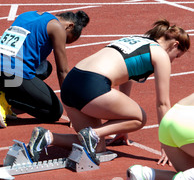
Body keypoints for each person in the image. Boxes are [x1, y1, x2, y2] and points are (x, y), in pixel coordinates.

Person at [27, 19, 190, 164]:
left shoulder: (137, 40)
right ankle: (94, 133)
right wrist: (167, 145)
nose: (173, 60)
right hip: (92, 84)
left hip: (71, 83)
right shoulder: (161, 55)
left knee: (98, 147)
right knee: (140, 118)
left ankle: (47, 137)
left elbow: (127, 78)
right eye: (177, 56)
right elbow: (163, 104)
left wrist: (122, 127)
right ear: (175, 45)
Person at [0, 10, 90, 128]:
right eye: (66, 39)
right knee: (54, 112)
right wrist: (72, 111)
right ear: (69, 26)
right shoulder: (57, 27)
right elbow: (63, 71)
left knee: (46, 68)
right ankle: (7, 99)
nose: (62, 42)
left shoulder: (28, 15)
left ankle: (5, 94)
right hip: (12, 74)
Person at [125, 92, 194, 180]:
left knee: (189, 178)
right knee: (188, 179)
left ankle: (144, 173)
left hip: (170, 119)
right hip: (189, 124)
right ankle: (187, 179)